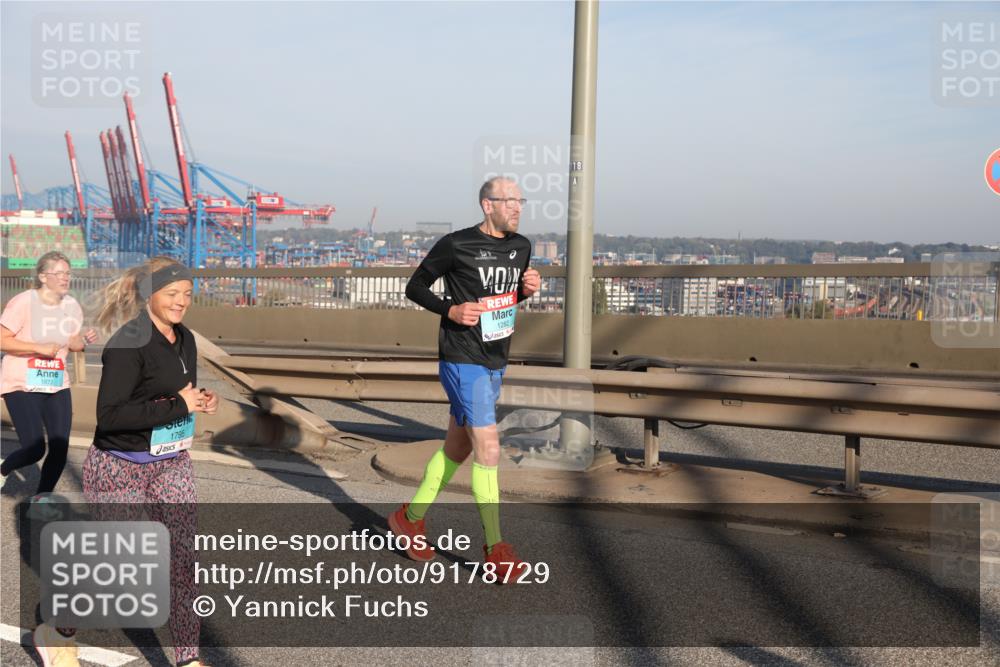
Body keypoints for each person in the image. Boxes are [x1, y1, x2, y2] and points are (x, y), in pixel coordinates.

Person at [34, 257, 217, 667]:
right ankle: (57, 629)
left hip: (171, 462)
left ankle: (189, 659)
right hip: (119, 465)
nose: (181, 302)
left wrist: (199, 400)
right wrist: (177, 404)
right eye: (172, 294)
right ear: (149, 294)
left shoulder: (184, 338)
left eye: (187, 294)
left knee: (183, 560)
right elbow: (110, 417)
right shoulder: (127, 344)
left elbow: (176, 393)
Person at [388, 177, 541, 582]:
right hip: (461, 358)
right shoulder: (456, 244)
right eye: (509, 200)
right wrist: (450, 311)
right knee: (488, 448)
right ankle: (496, 549)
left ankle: (409, 517)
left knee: (458, 448)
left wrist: (527, 290)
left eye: (520, 200)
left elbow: (503, 298)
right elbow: (414, 286)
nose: (517, 207)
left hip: (495, 359)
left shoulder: (521, 247)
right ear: (487, 205)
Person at [1, 251, 97, 511]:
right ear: (43, 276)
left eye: (68, 273)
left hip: (56, 381)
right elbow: (2, 339)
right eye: (60, 273)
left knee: (59, 446)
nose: (66, 278)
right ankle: (3, 469)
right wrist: (38, 348)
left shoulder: (72, 306)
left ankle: (41, 501)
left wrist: (83, 340)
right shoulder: (23, 302)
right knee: (34, 449)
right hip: (22, 381)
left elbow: (72, 343)